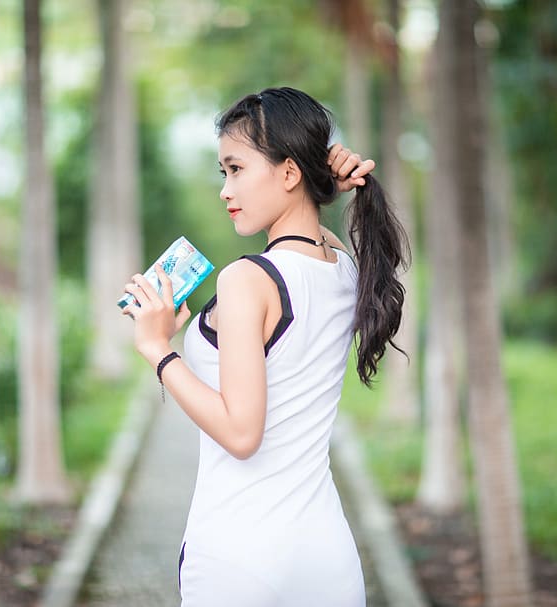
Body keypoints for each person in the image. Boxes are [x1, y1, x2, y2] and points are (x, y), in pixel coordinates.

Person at [121, 86, 408, 607]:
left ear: (290, 172)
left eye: (236, 169)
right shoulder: (341, 266)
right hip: (328, 558)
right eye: (223, 173)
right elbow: (313, 235)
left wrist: (158, 350)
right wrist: (330, 187)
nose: (225, 188)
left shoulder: (247, 280)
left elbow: (240, 432)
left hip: (242, 556)